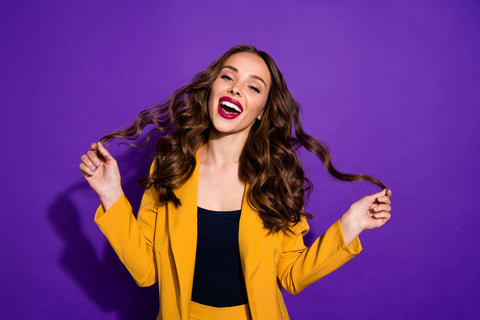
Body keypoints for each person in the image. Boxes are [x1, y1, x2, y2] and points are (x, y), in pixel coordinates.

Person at [79, 45, 392, 320]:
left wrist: (351, 225)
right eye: (227, 77)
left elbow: (292, 276)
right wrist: (110, 195)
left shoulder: (275, 179)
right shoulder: (171, 166)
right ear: (212, 88)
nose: (236, 89)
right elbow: (146, 271)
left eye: (253, 87)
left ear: (260, 113)